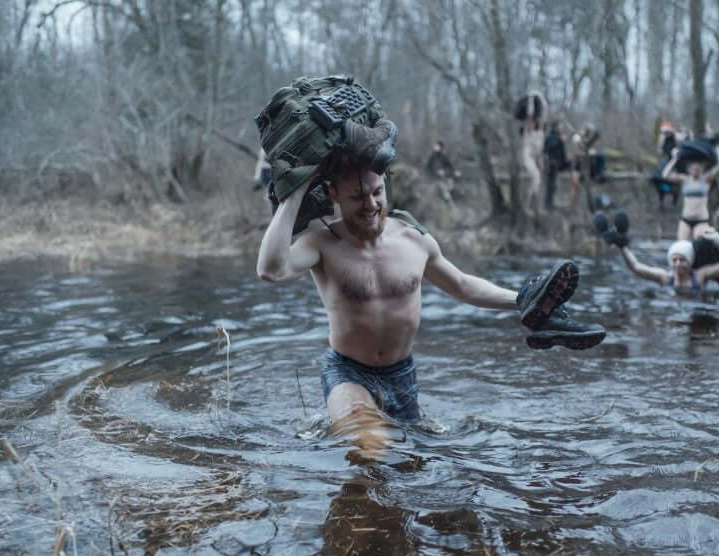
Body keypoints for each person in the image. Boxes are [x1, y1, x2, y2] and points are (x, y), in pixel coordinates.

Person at [256, 149, 605, 431]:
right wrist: (294, 194)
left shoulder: (413, 239)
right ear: (333, 194)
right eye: (357, 197)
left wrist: (521, 301)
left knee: (411, 465)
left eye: (377, 192)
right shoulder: (321, 242)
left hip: (401, 373)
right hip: (347, 372)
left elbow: (463, 286)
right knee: (365, 441)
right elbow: (270, 270)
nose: (371, 205)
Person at [609, 217, 719, 295]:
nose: (677, 264)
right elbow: (636, 267)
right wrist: (622, 247)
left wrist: (718, 240)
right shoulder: (665, 278)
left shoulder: (700, 276)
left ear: (690, 261)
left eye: (682, 260)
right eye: (674, 260)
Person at [662, 142, 719, 241]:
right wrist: (675, 158)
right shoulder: (684, 179)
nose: (695, 170)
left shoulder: (706, 178)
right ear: (688, 169)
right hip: (685, 220)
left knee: (698, 244)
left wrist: (717, 147)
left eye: (698, 168)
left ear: (702, 169)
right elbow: (665, 175)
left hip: (701, 220)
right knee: (682, 245)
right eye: (693, 168)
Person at [518, 91, 548, 215]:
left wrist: (542, 98)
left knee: (539, 182)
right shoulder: (528, 130)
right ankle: (527, 205)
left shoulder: (540, 132)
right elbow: (530, 115)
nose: (537, 120)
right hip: (528, 157)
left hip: (536, 158)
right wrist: (531, 99)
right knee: (536, 178)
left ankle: (536, 207)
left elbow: (544, 114)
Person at [569, 123, 600, 209]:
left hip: (586, 165)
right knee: (575, 185)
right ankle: (572, 205)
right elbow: (581, 146)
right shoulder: (577, 137)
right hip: (577, 164)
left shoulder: (587, 139)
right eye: (586, 131)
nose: (586, 133)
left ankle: (588, 205)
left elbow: (589, 149)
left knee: (587, 186)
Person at [652, 122, 680, 208]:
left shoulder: (675, 137)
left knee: (675, 182)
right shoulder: (663, 139)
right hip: (666, 161)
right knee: (657, 178)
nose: (666, 133)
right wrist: (661, 140)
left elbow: (679, 143)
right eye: (664, 132)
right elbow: (660, 152)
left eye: (667, 131)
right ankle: (662, 200)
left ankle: (674, 202)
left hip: (675, 161)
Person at [543, 121, 568, 210]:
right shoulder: (551, 137)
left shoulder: (558, 137)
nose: (561, 129)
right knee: (550, 185)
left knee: (554, 185)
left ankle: (552, 203)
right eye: (560, 127)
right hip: (551, 164)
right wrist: (560, 140)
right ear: (555, 127)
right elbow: (547, 151)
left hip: (558, 164)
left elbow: (562, 152)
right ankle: (548, 205)